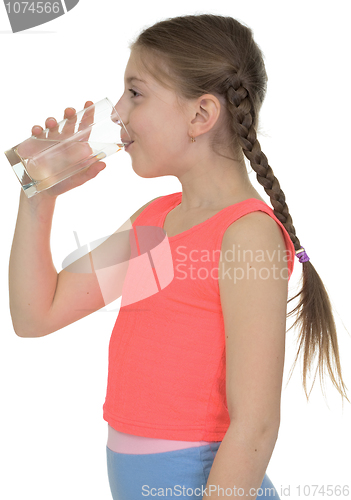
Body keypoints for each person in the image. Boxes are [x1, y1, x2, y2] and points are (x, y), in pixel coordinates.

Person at [9, 14, 348, 500]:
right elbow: (35, 314)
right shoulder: (156, 221)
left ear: (199, 116)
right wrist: (38, 194)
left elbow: (255, 426)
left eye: (136, 93)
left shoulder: (246, 235)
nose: (118, 113)